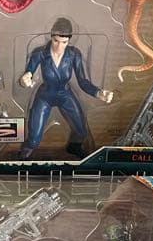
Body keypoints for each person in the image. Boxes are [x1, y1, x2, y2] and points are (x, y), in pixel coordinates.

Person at [18, 18, 114, 159]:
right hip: (45, 95)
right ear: (51, 36)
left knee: (81, 130)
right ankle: (24, 155)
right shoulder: (40, 53)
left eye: (64, 42)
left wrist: (98, 93)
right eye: (56, 41)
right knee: (34, 137)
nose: (59, 46)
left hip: (65, 94)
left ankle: (73, 147)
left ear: (69, 40)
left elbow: (83, 81)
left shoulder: (74, 54)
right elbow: (28, 73)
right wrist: (25, 79)